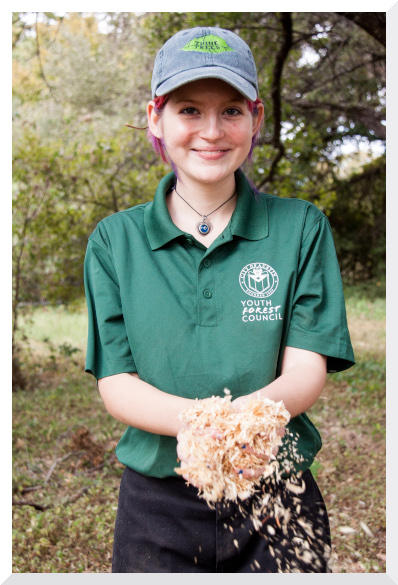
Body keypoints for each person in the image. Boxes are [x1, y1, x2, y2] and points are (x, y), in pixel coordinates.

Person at [84, 26, 355, 573]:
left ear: (256, 119)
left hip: (277, 489)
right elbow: (117, 384)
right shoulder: (115, 241)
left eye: (231, 110)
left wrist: (245, 428)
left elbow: (306, 368)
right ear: (156, 116)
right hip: (157, 501)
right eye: (188, 109)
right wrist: (205, 428)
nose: (211, 131)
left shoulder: (301, 227)